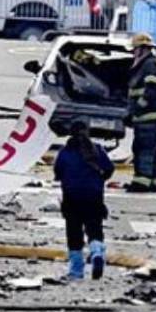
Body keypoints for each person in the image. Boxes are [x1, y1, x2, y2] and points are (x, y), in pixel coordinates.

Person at [54, 120, 114, 280]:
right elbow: (109, 169)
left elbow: (58, 173)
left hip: (71, 197)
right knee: (94, 228)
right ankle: (96, 253)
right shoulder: (97, 150)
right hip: (93, 196)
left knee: (74, 233)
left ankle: (76, 270)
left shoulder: (65, 153)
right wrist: (98, 179)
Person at [126, 32, 156, 192]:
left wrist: (137, 108)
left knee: (143, 149)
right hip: (149, 117)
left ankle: (141, 183)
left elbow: (151, 90)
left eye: (135, 49)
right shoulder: (146, 64)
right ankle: (155, 182)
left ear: (142, 49)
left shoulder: (149, 65)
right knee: (152, 151)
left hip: (148, 117)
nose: (133, 52)